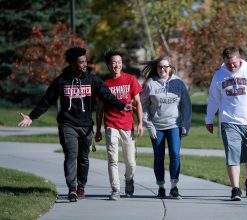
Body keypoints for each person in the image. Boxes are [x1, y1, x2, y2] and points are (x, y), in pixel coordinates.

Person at [18, 46, 133, 202]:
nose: (85, 64)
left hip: (86, 126)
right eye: (81, 62)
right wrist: (32, 117)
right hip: (68, 124)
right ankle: (72, 189)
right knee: (71, 155)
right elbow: (47, 100)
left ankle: (81, 187)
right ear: (72, 63)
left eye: (85, 61)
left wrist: (122, 105)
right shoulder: (61, 81)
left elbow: (107, 96)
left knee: (83, 158)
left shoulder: (92, 80)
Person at [205, 47, 247, 201]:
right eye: (228, 64)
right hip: (229, 122)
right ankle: (235, 189)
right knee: (232, 155)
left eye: (234, 63)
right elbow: (213, 98)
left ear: (239, 58)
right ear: (224, 61)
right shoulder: (219, 75)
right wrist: (209, 119)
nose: (232, 66)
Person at [140, 56, 192, 199]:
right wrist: (149, 126)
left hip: (174, 126)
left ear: (171, 68)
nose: (162, 69)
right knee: (159, 157)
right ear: (156, 68)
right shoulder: (151, 84)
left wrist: (185, 125)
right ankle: (161, 187)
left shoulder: (178, 83)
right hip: (157, 127)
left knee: (175, 155)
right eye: (159, 67)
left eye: (165, 66)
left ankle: (174, 187)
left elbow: (186, 105)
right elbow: (143, 107)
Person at [95, 49, 143, 200]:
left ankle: (129, 179)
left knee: (131, 162)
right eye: (114, 63)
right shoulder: (103, 83)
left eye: (119, 62)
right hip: (111, 125)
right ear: (108, 65)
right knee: (112, 159)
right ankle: (115, 189)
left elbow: (137, 102)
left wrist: (140, 123)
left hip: (128, 126)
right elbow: (100, 109)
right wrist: (98, 130)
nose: (117, 65)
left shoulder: (130, 80)